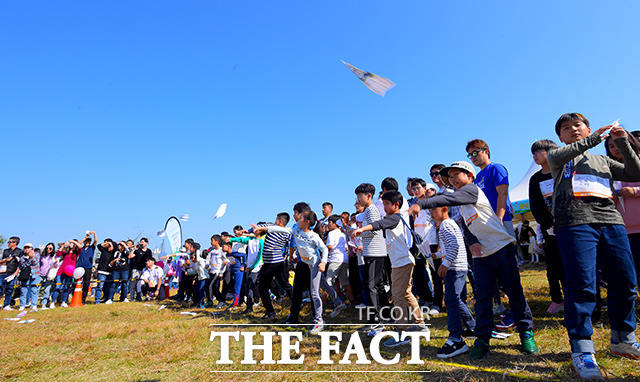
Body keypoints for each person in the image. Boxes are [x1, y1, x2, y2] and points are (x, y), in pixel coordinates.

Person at [408, 161, 538, 359]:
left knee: (514, 293)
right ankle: (483, 339)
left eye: (455, 174)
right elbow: (465, 226)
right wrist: (472, 242)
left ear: (469, 175)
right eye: (449, 177)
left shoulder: (471, 190)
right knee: (483, 298)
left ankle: (526, 333)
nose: (451, 179)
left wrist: (421, 203)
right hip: (482, 256)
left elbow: (446, 199)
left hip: (501, 248)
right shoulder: (461, 204)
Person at [548, 113, 640, 379]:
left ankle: (623, 338)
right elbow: (576, 148)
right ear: (560, 137)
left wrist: (622, 142)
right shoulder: (558, 156)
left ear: (586, 127)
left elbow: (635, 172)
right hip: (574, 223)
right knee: (582, 284)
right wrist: (596, 136)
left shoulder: (604, 160)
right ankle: (582, 350)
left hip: (611, 221)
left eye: (578, 125)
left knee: (625, 280)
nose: (573, 130)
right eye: (566, 128)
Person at [352, 190, 428, 348]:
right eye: (384, 204)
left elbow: (378, 225)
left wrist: (362, 229)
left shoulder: (394, 218)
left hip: (402, 263)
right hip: (400, 262)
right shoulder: (392, 218)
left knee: (398, 296)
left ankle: (402, 332)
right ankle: (419, 324)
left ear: (396, 205)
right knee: (406, 293)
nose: (384, 207)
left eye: (387, 204)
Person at [253, 208, 329, 335]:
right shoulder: (295, 230)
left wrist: (323, 262)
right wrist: (263, 229)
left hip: (315, 265)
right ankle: (302, 317)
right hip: (304, 263)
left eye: (300, 218)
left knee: (315, 293)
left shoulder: (313, 236)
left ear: (307, 222)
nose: (297, 219)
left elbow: (324, 249)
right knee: (304, 290)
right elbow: (280, 229)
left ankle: (319, 320)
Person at [429, 206, 476, 358]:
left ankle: (456, 338)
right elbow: (449, 247)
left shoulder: (445, 225)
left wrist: (445, 264)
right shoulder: (449, 224)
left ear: (444, 209)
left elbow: (454, 247)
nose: (431, 213)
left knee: (451, 300)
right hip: (459, 267)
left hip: (455, 268)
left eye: (433, 210)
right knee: (455, 300)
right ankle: (472, 327)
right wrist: (437, 255)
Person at [606, 130, 640, 291]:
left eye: (618, 143)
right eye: (611, 146)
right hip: (625, 230)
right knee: (634, 270)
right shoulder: (609, 170)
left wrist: (635, 192)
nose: (615, 148)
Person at [354, 183, 389, 335]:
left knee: (373, 286)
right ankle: (385, 317)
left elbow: (375, 231)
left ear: (369, 196)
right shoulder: (369, 210)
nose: (358, 199)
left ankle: (376, 321)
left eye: (359, 196)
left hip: (375, 252)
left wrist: (359, 233)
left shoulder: (372, 210)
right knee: (377, 286)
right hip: (372, 252)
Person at [465, 139, 515, 236]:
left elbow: (502, 194)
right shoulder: (477, 177)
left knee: (509, 250)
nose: (473, 157)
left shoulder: (496, 168)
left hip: (501, 219)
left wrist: (499, 217)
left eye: (475, 153)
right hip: (487, 222)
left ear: (486, 152)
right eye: (470, 155)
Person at [254, 212, 294, 319]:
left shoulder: (272, 227)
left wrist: (251, 230)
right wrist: (248, 232)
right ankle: (297, 304)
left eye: (276, 219)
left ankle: (270, 312)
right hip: (279, 262)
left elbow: (260, 228)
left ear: (280, 221)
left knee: (262, 287)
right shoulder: (287, 233)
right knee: (285, 284)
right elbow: (260, 230)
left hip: (270, 263)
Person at [229, 232, 263, 314]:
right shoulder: (250, 240)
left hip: (255, 268)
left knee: (250, 288)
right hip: (249, 267)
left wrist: (252, 267)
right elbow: (241, 239)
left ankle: (252, 306)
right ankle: (249, 307)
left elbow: (259, 256)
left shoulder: (260, 241)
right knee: (248, 287)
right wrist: (230, 239)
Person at [325, 214, 351, 316]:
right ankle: (352, 302)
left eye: (329, 223)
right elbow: (346, 247)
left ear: (334, 223)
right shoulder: (342, 233)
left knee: (328, 282)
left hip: (335, 259)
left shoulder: (331, 233)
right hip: (344, 259)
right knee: (345, 281)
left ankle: (324, 304)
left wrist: (323, 248)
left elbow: (330, 246)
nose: (328, 225)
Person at [50, 240, 80, 308]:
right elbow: (58, 253)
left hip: (70, 272)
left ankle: (63, 302)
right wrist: (63, 245)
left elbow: (80, 247)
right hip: (61, 272)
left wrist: (74, 242)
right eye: (71, 244)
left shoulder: (76, 253)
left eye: (73, 244)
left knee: (66, 287)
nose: (72, 245)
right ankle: (52, 302)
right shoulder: (65, 252)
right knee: (58, 287)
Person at [1, 236, 23, 310]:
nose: (8, 243)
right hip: (3, 272)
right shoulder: (5, 251)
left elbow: (21, 264)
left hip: (12, 273)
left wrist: (15, 274)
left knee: (9, 289)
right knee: (1, 288)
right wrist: (5, 260)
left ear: (15, 243)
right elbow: (1, 261)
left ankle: (6, 305)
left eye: (10, 242)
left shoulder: (20, 251)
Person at [207, 235, 228, 308]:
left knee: (212, 286)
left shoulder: (221, 251)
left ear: (217, 241)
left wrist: (221, 272)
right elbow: (208, 259)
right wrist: (207, 265)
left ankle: (220, 301)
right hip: (212, 272)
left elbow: (226, 261)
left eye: (212, 240)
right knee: (211, 287)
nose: (211, 242)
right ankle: (220, 301)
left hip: (218, 272)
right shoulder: (212, 251)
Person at [18, 243, 40, 311]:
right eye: (25, 248)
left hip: (35, 274)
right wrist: (29, 259)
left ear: (32, 248)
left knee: (34, 290)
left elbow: (35, 262)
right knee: (23, 290)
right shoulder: (22, 257)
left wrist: (31, 257)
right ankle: (22, 305)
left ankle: (33, 305)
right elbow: (24, 265)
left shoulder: (36, 255)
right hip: (25, 275)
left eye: (28, 247)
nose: (27, 249)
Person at [77, 231, 97, 304]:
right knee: (77, 283)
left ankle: (83, 300)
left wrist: (94, 233)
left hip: (88, 268)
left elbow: (95, 241)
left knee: (86, 284)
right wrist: (84, 238)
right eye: (86, 241)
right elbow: (78, 244)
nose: (87, 242)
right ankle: (75, 297)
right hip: (79, 268)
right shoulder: (81, 248)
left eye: (89, 241)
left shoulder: (92, 248)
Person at [94, 239, 116, 304]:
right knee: (100, 286)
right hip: (101, 271)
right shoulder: (103, 250)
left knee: (108, 287)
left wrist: (110, 244)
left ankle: (107, 299)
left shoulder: (114, 251)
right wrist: (105, 244)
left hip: (109, 271)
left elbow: (113, 248)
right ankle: (97, 300)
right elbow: (98, 246)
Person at [38, 243, 56, 309]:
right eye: (47, 248)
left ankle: (44, 304)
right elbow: (38, 264)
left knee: (47, 290)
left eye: (50, 248)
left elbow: (55, 266)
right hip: (40, 274)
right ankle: (34, 304)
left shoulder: (54, 256)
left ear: (53, 249)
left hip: (49, 275)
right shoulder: (42, 256)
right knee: (37, 289)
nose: (48, 249)